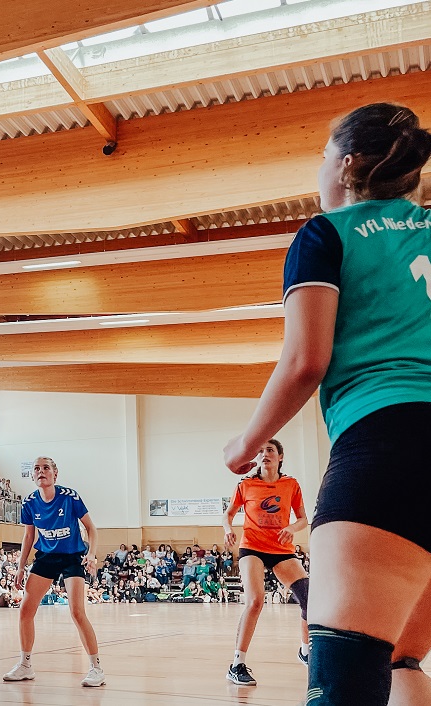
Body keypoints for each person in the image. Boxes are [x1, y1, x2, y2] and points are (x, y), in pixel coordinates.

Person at [223, 103, 431, 706]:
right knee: (402, 661)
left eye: (320, 155)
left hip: (388, 443)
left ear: (342, 166)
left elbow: (305, 361)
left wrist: (245, 443)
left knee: (343, 681)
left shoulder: (326, 234)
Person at [2, 457, 105, 688]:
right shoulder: (29, 503)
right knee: (25, 611)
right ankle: (25, 665)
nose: (41, 471)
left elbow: (91, 528)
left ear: (55, 474)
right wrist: (20, 566)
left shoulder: (70, 497)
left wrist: (91, 554)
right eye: (36, 469)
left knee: (77, 612)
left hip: (71, 556)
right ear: (32, 476)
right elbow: (29, 535)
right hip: (46, 557)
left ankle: (96, 668)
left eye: (46, 467)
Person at [222, 438, 310, 686]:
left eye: (270, 450)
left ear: (280, 456)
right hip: (252, 547)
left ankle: (305, 650)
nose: (265, 454)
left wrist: (292, 527)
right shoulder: (246, 484)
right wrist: (227, 528)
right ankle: (237, 664)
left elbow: (303, 518)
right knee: (255, 601)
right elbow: (228, 514)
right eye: (260, 451)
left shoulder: (291, 484)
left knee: (309, 599)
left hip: (282, 549)